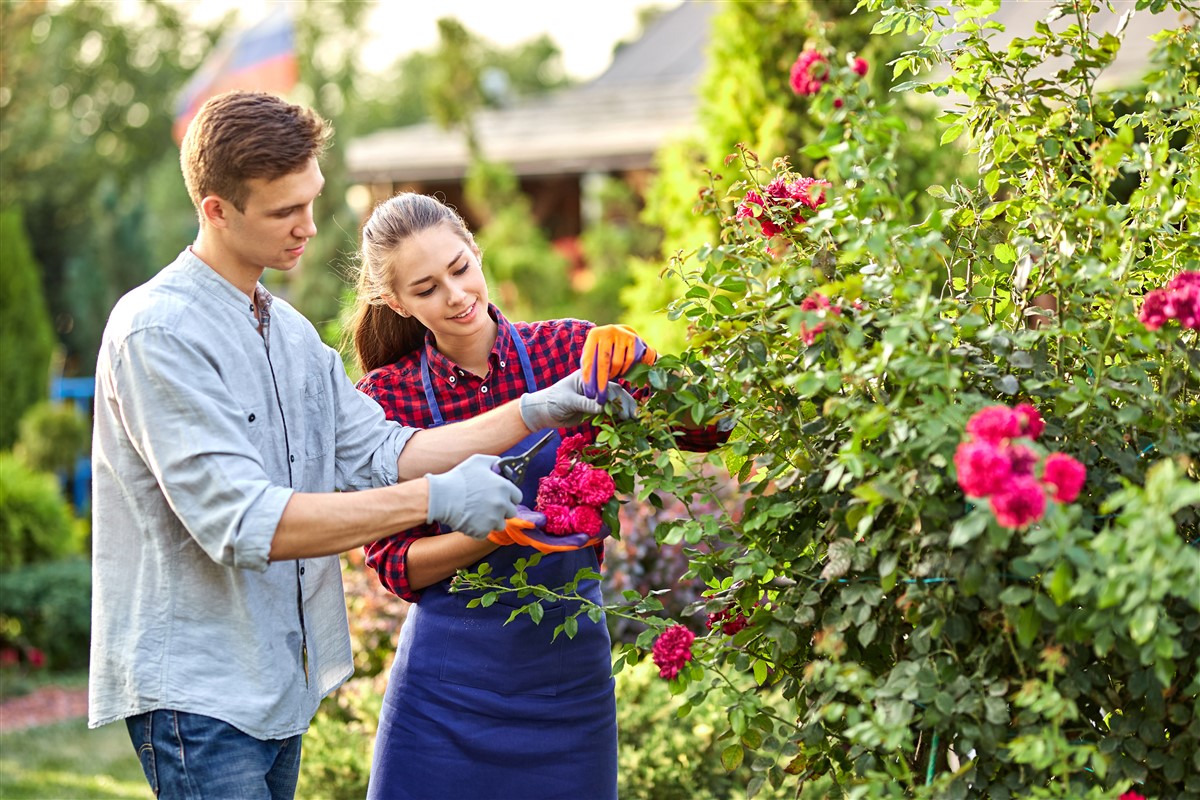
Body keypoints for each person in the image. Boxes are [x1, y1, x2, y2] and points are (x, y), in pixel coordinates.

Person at [87, 91, 633, 800]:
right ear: (217, 210)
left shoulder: (287, 334)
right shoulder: (160, 332)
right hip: (200, 690)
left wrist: (534, 409)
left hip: (277, 682)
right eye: (285, 211)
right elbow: (242, 521)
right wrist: (438, 500)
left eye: (310, 201)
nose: (309, 227)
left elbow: (389, 449)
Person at [347, 191, 730, 800]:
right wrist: (482, 536)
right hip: (443, 693)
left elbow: (715, 427)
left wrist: (647, 360)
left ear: (475, 250)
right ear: (395, 301)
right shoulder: (386, 401)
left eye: (459, 268)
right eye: (425, 290)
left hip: (567, 686)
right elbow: (395, 567)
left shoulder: (566, 351)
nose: (455, 295)